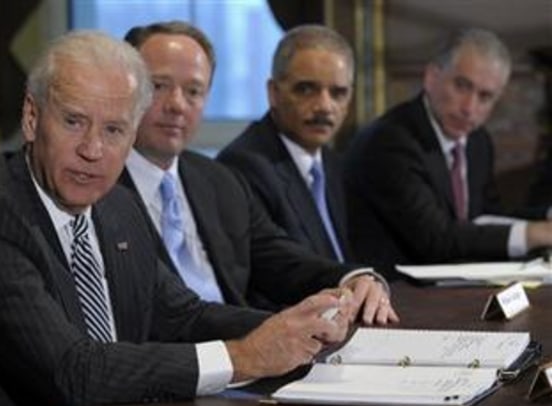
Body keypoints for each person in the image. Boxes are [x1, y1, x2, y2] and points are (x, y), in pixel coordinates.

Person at [0, 30, 352, 406]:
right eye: (73, 122)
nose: (93, 150)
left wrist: (292, 332)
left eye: (113, 130)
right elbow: (74, 371)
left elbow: (181, 316)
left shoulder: (117, 207)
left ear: (133, 136)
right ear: (31, 118)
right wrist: (244, 357)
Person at [121, 21, 396, 322]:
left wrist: (353, 279)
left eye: (194, 91)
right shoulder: (99, 189)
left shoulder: (217, 180)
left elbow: (280, 260)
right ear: (125, 90)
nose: (177, 105)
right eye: (159, 86)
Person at [342, 28, 552, 274]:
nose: (469, 108)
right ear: (432, 77)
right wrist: (535, 233)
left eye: (485, 97)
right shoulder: (389, 141)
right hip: (394, 294)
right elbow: (435, 239)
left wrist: (545, 217)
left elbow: (485, 218)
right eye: (462, 86)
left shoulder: (477, 141)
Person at [218, 24, 355, 264]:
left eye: (338, 93)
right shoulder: (243, 167)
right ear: (273, 93)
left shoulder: (333, 164)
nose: (324, 106)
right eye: (306, 89)